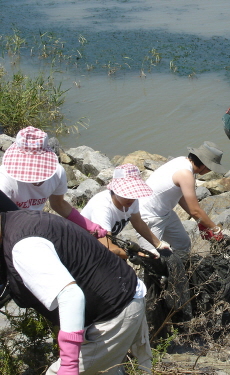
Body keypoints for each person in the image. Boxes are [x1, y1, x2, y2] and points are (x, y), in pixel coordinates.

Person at [0, 190, 152, 374]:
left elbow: (71, 297)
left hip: (114, 312)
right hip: (123, 295)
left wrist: (69, 366)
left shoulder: (24, 247)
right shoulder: (19, 219)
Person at [0, 126, 107, 238]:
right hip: (10, 227)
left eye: (38, 168)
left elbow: (58, 204)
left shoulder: (57, 173)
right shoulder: (4, 179)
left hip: (36, 222)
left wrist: (88, 226)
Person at [138, 141, 225, 253]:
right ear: (204, 164)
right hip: (148, 216)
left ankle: (176, 268)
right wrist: (215, 229)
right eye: (210, 167)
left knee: (183, 244)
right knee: (151, 256)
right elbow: (195, 210)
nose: (211, 170)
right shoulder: (186, 174)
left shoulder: (182, 160)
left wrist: (200, 221)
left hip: (164, 212)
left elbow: (180, 197)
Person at [81, 164, 169, 259]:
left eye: (134, 193)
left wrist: (159, 245)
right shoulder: (102, 208)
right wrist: (137, 255)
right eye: (126, 194)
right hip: (83, 246)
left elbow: (138, 223)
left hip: (105, 243)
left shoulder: (132, 200)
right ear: (115, 189)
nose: (131, 198)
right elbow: (107, 247)